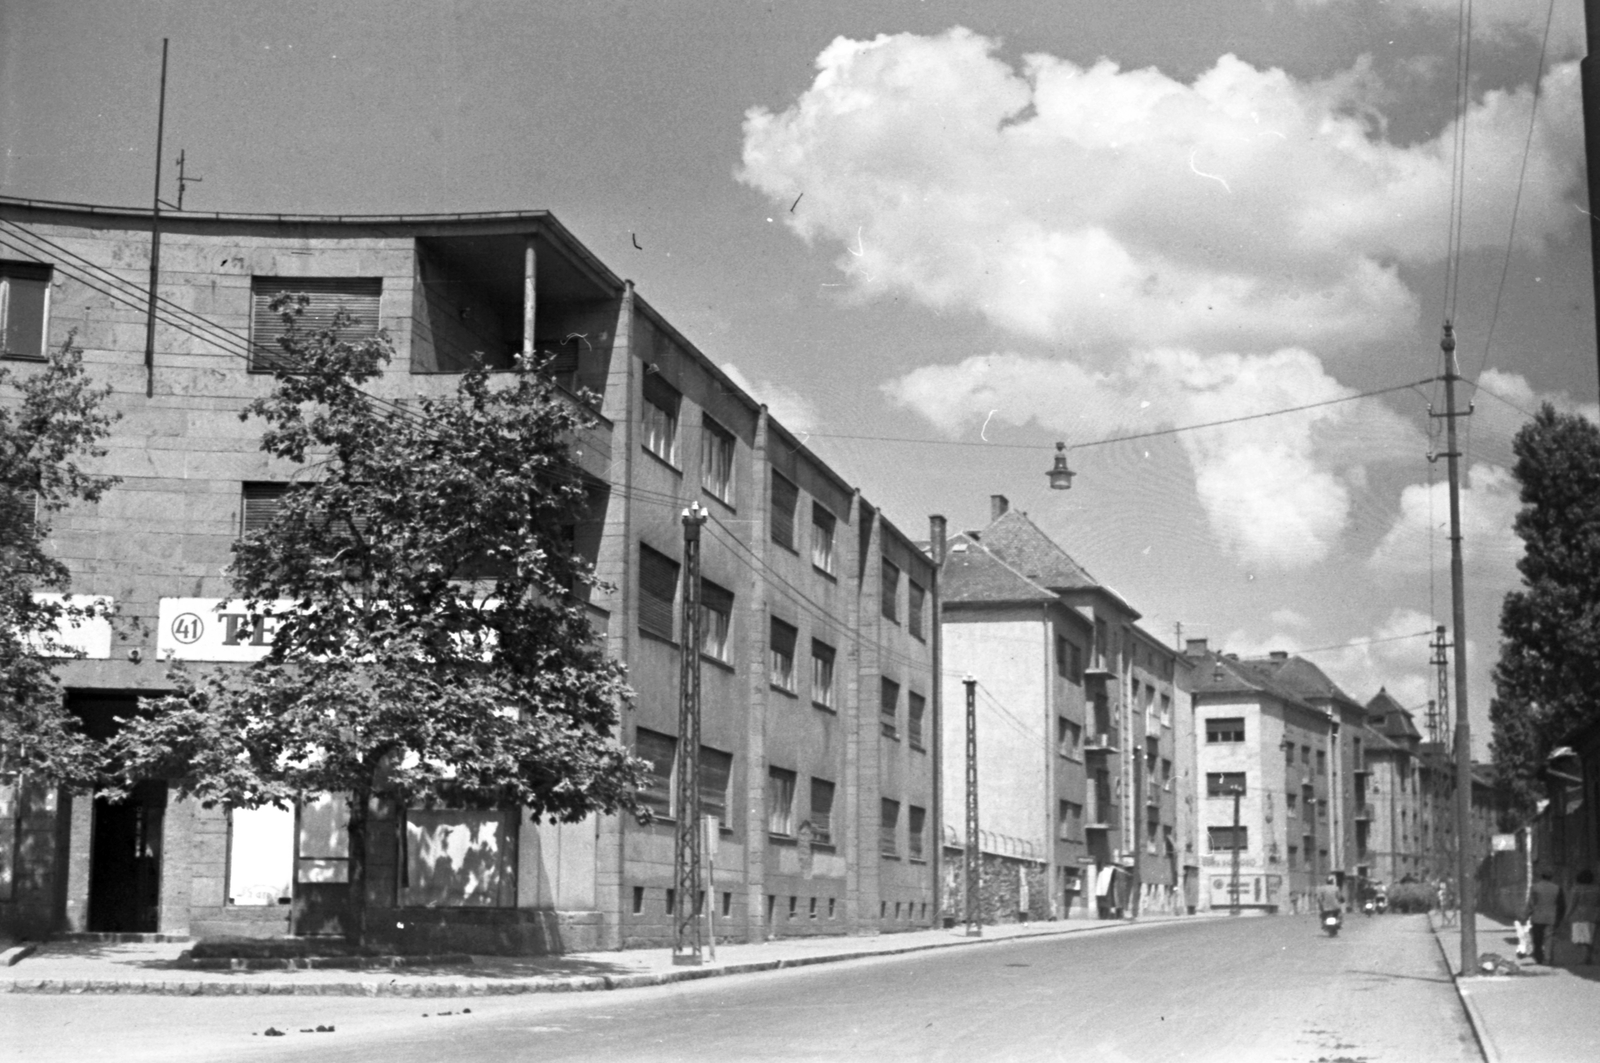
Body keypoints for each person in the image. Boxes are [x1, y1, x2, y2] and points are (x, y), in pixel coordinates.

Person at [1527, 868, 1566, 965]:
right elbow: (1561, 905)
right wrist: (1559, 918)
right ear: (1551, 877)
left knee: (1537, 939)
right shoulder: (1557, 888)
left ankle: (1538, 957)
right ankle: (1547, 959)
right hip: (1551, 917)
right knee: (1549, 938)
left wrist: (1526, 915)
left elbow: (1531, 903)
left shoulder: (1535, 887)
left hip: (1537, 917)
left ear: (1541, 876)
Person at [1567, 869, 1599, 967]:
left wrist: (1567, 915)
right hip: (1594, 914)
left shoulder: (1576, 889)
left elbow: (1573, 903)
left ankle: (1585, 958)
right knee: (1590, 937)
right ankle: (1589, 956)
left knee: (1581, 938)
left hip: (1580, 915)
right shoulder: (1597, 889)